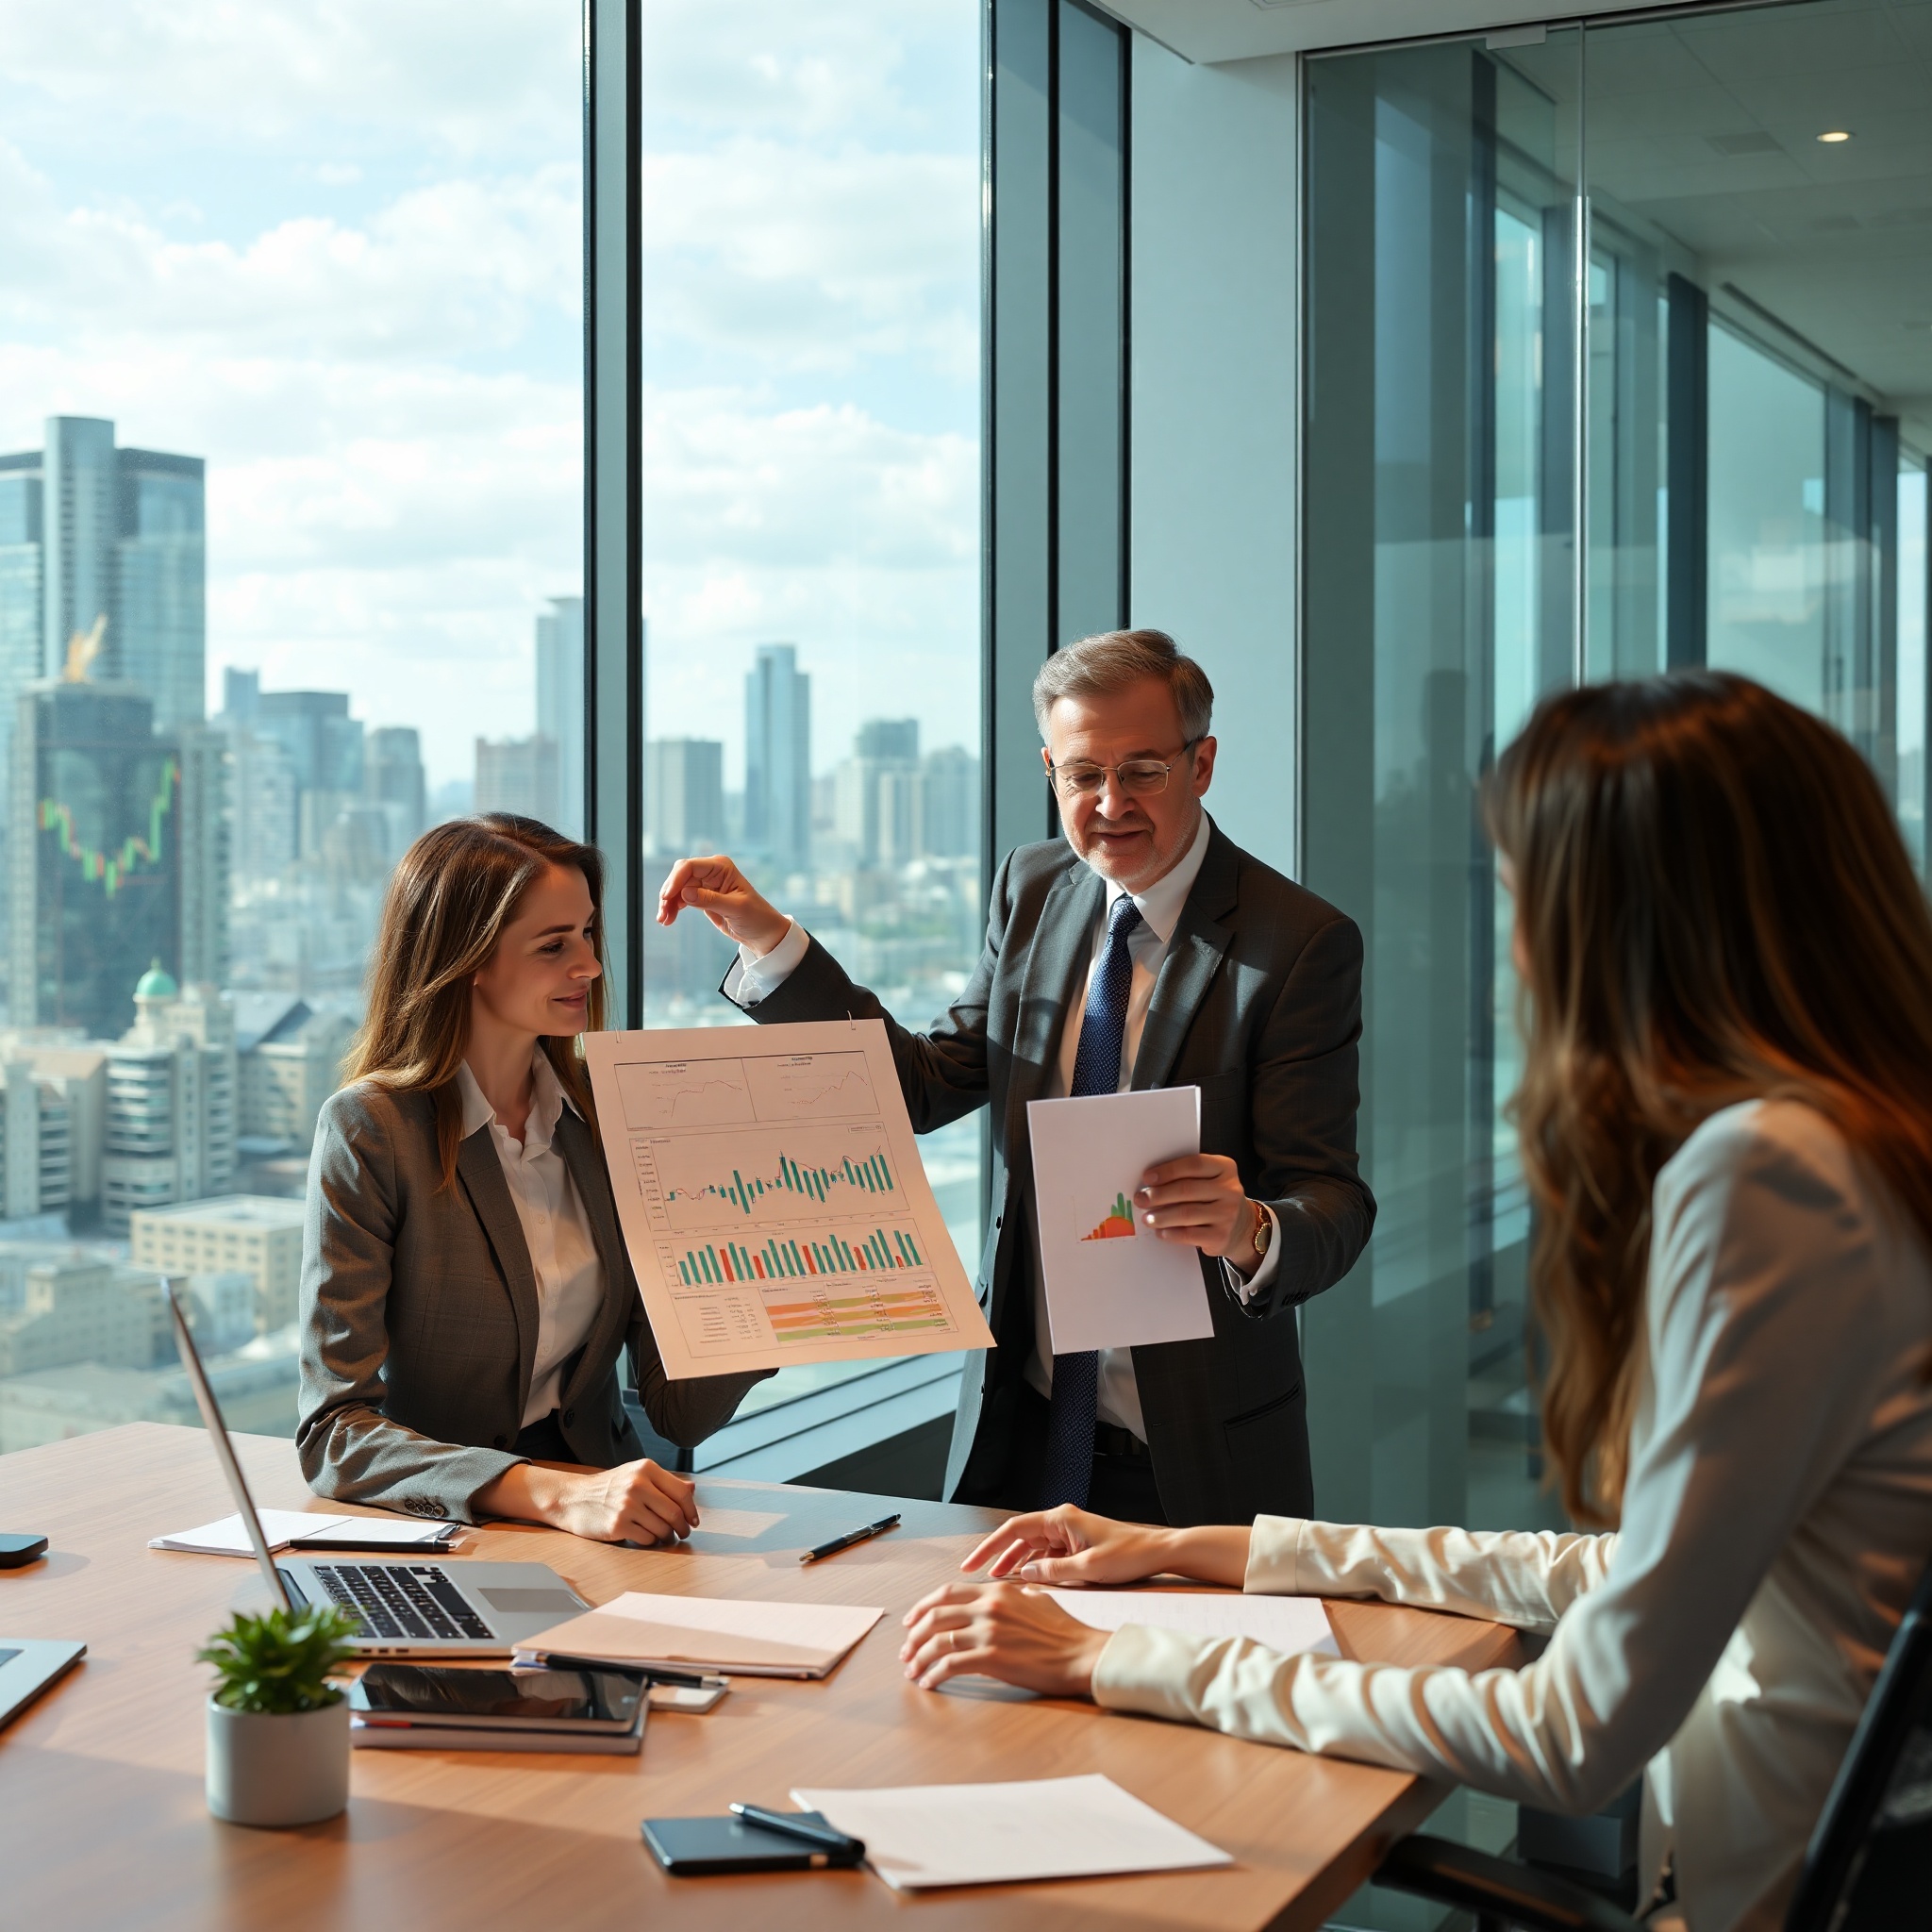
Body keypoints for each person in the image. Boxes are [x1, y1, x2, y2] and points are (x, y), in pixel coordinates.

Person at [896, 672, 1932, 1932]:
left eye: (1520, 894)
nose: (1511, 946)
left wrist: (1121, 1658)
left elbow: (1572, 1734)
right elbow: (1630, 1566)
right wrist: (1196, 1553)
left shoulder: (1766, 1175)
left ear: (1631, 918)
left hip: (1757, 1895)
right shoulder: (1858, 1145)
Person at [657, 628, 1374, 1525]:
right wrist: (772, 941)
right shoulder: (1032, 888)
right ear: (1050, 771)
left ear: (1203, 764)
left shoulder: (1297, 942)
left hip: (1191, 1458)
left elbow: (1335, 1204)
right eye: (1083, 774)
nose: (1109, 803)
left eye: (1143, 770)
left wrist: (1251, 1228)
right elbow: (924, 1084)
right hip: (1018, 1438)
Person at [298, 814, 770, 1541]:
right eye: (554, 946)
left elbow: (679, 1412)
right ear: (468, 959)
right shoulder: (374, 1130)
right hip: (449, 1522)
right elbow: (334, 1433)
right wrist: (551, 1496)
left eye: (586, 933)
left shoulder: (615, 1113)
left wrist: (760, 1294)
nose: (589, 965)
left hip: (617, 1512)